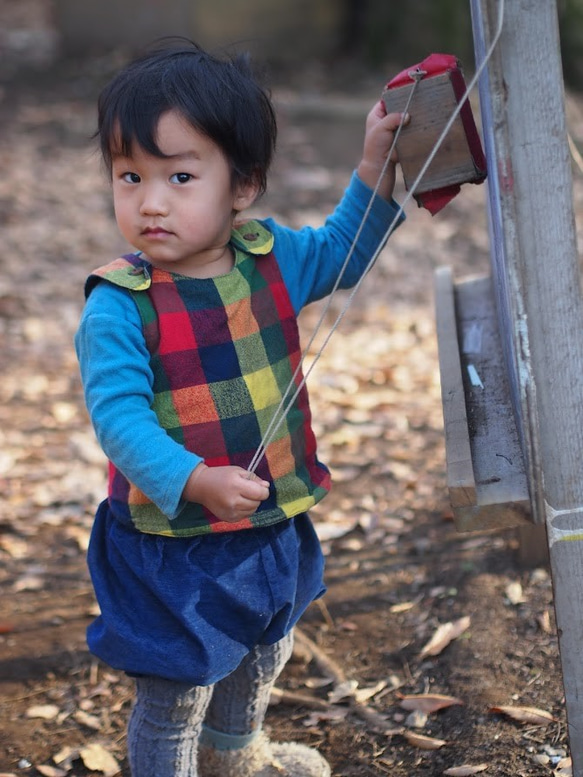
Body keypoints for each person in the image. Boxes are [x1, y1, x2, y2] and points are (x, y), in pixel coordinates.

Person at [75, 39, 406, 777]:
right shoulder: (120, 305)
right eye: (130, 176)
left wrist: (372, 173)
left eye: (180, 175)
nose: (150, 200)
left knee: (265, 648)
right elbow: (120, 419)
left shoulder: (271, 257)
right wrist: (194, 478)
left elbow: (343, 252)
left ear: (242, 186)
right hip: (174, 537)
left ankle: (235, 755)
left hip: (266, 517)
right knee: (177, 687)